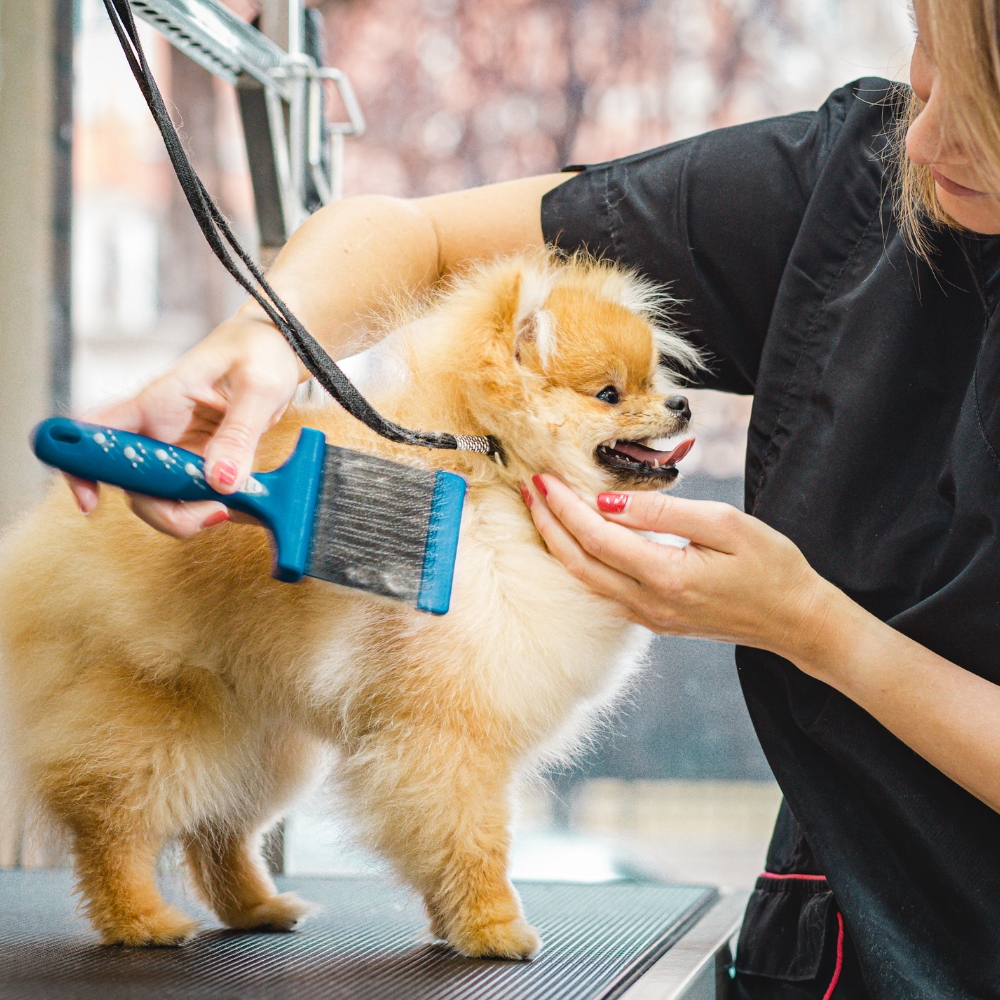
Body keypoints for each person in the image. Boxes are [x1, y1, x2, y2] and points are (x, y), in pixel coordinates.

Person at [66, 1, 1000, 995]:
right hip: (822, 941)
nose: (926, 134)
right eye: (924, 61)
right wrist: (250, 350)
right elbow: (416, 237)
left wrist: (816, 628)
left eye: (987, 108)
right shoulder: (855, 179)